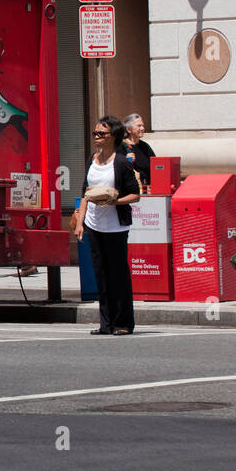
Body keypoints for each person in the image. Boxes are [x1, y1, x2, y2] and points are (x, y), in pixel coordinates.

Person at [74, 115, 141, 335]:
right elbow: (85, 192)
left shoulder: (121, 163)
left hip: (115, 227)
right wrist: (80, 222)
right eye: (95, 133)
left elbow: (135, 194)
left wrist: (115, 200)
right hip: (94, 225)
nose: (96, 137)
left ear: (113, 137)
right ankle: (106, 323)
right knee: (100, 275)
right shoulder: (92, 160)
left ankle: (123, 323)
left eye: (101, 134)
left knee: (118, 275)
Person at [121, 113, 155, 192]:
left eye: (143, 125)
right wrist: (126, 160)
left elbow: (154, 166)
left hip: (146, 190)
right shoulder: (120, 146)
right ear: (128, 129)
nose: (142, 128)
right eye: (139, 126)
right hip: (130, 191)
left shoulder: (145, 146)